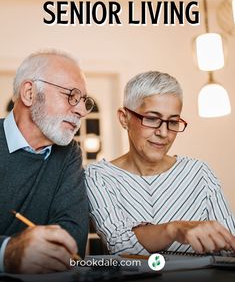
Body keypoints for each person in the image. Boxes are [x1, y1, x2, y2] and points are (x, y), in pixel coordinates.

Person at [85, 71, 235, 256]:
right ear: (124, 118)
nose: (164, 132)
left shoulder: (199, 173)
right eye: (152, 119)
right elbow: (121, 245)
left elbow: (229, 246)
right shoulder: (99, 176)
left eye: (173, 121)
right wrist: (174, 229)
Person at [0, 50, 95, 273]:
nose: (81, 111)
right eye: (71, 95)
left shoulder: (69, 153)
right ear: (29, 93)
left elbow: (73, 238)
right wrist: (8, 252)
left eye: (84, 101)